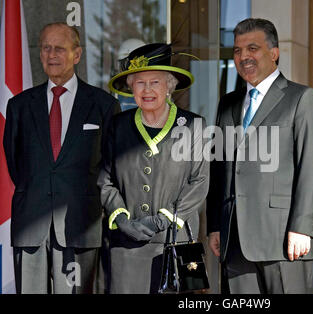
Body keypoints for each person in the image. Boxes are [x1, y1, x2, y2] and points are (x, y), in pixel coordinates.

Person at [207, 18, 313, 294]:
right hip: (234, 239)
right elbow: (220, 167)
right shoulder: (227, 103)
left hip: (285, 239)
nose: (244, 57)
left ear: (274, 53)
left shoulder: (302, 98)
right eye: (237, 51)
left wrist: (302, 227)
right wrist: (215, 225)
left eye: (253, 48)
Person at [3, 22, 120, 293]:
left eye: (59, 48)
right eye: (46, 48)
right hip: (30, 227)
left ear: (77, 55)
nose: (51, 54)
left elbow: (109, 165)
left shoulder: (103, 105)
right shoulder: (19, 106)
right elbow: (15, 161)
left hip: (79, 226)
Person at [99, 43, 209, 294]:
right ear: (130, 87)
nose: (147, 90)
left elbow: (200, 181)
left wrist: (165, 219)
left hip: (179, 243)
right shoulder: (117, 126)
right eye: (139, 83)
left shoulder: (194, 126)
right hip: (126, 246)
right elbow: (105, 180)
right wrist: (122, 218)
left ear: (169, 86)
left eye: (155, 82)